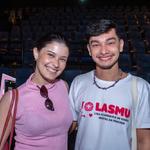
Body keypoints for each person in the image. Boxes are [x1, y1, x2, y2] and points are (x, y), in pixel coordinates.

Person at [69, 19, 150, 150]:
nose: (104, 51)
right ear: (89, 50)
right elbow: (66, 127)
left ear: (121, 45)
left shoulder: (141, 87)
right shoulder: (78, 82)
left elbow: (144, 140)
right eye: (96, 44)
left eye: (110, 43)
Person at [0, 33, 73, 150]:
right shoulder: (12, 98)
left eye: (62, 59)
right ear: (36, 53)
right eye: (51, 55)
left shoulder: (64, 87)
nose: (56, 64)